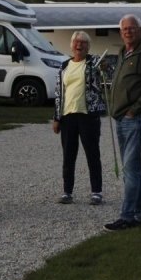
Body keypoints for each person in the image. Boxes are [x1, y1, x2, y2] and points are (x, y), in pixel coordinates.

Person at [103, 14, 141, 231]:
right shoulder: (123, 52)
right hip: (121, 118)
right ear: (121, 33)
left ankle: (127, 217)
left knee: (129, 169)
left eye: (132, 28)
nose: (128, 32)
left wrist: (134, 110)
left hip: (135, 119)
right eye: (124, 29)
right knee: (134, 168)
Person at [52, 31, 107, 205]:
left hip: (88, 115)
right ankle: (67, 192)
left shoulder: (93, 63)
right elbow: (59, 93)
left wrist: (105, 67)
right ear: (71, 45)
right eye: (76, 42)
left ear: (88, 46)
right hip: (68, 116)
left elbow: (108, 73)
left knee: (92, 154)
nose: (79, 45)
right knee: (68, 155)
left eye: (83, 42)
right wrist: (57, 117)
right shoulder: (64, 66)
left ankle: (96, 192)